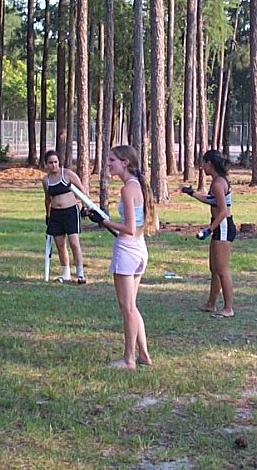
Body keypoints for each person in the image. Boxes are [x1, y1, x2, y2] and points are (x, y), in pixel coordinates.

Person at [87, 145, 158, 370]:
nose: (108, 164)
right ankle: (144, 355)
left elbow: (129, 228)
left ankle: (129, 359)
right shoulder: (137, 186)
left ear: (125, 162)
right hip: (138, 249)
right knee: (131, 307)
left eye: (112, 160)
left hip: (127, 250)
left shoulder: (128, 189)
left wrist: (104, 221)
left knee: (127, 308)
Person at [181, 149, 236, 318]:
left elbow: (223, 211)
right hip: (219, 226)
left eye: (203, 163)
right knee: (214, 268)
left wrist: (209, 230)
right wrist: (192, 193)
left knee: (222, 270)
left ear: (210, 164)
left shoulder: (218, 184)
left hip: (223, 226)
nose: (202, 167)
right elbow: (211, 200)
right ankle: (211, 304)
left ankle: (228, 308)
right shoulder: (218, 181)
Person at [42, 150, 87, 284]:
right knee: (60, 245)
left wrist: (84, 206)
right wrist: (48, 215)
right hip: (56, 214)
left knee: (74, 243)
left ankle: (80, 274)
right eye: (50, 163)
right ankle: (66, 273)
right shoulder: (46, 180)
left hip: (71, 212)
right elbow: (47, 199)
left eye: (55, 162)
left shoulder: (67, 174)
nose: (53, 165)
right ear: (46, 164)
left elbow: (82, 190)